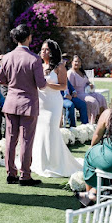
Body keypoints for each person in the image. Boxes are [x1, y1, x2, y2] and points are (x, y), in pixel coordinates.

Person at [0, 24, 47, 186]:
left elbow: (0, 80)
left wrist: (13, 84)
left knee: (10, 139)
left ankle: (11, 173)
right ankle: (25, 175)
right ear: (28, 38)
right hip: (28, 104)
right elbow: (41, 84)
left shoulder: (6, 57)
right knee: (26, 140)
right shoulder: (34, 59)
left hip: (11, 102)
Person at [76, 80, 112, 207]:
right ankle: (101, 189)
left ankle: (90, 196)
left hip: (110, 161)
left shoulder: (108, 114)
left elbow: (97, 136)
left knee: (89, 155)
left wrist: (92, 148)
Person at [31, 40, 83, 178]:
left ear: (53, 51)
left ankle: (55, 163)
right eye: (42, 49)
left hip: (53, 103)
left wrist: (47, 84)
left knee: (50, 129)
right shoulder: (38, 66)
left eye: (47, 49)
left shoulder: (59, 66)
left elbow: (63, 86)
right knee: (40, 131)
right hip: (40, 102)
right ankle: (41, 161)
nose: (43, 52)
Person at [67, 55, 107, 123]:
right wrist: (71, 94)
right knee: (93, 101)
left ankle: (102, 120)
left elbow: (87, 82)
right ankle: (93, 121)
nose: (77, 63)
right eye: (75, 61)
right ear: (72, 62)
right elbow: (69, 86)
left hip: (87, 92)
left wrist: (90, 84)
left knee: (101, 98)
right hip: (78, 94)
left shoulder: (81, 72)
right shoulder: (71, 73)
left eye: (79, 61)